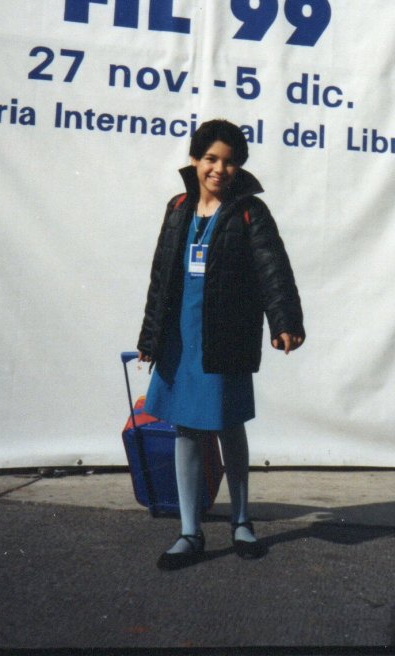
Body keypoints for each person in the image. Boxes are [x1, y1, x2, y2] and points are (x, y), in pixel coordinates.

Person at [137, 119, 305, 568]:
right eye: (210, 158)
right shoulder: (178, 208)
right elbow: (161, 277)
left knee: (229, 425)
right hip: (180, 338)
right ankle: (189, 532)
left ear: (239, 167)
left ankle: (242, 522)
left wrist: (285, 322)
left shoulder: (250, 212)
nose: (219, 169)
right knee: (187, 430)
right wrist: (150, 337)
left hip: (225, 335)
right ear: (194, 160)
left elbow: (273, 269)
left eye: (229, 162)